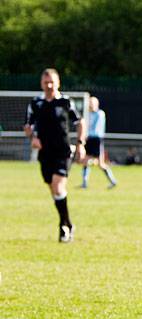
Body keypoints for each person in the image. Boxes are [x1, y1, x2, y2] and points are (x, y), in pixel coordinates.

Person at [24, 68, 86, 243]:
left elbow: (80, 122)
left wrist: (81, 144)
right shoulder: (35, 103)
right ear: (41, 84)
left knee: (58, 188)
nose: (49, 85)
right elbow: (27, 126)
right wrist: (32, 137)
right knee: (54, 190)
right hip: (45, 153)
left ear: (58, 82)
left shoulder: (65, 102)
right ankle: (68, 222)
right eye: (45, 82)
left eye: (52, 82)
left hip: (63, 152)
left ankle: (63, 228)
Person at [80, 96, 117, 189]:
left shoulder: (100, 114)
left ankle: (113, 181)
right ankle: (84, 183)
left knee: (100, 164)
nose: (90, 105)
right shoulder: (87, 114)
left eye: (92, 103)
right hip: (89, 140)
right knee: (85, 161)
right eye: (90, 103)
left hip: (96, 140)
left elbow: (95, 129)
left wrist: (86, 134)